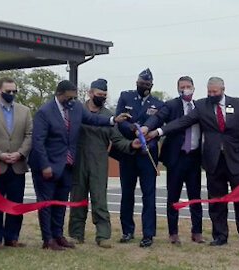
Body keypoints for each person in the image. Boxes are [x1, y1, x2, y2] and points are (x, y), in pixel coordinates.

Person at [147, 77, 239, 248]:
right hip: (214, 161)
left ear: (223, 89)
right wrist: (158, 131)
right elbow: (182, 122)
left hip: (236, 160)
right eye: (209, 91)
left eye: (215, 92)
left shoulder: (238, 104)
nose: (212, 94)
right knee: (216, 199)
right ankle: (220, 235)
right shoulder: (202, 105)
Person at [28, 80, 131, 251]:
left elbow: (92, 118)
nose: (72, 101)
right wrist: (44, 165)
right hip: (49, 165)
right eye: (69, 98)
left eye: (74, 98)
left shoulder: (75, 108)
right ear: (59, 94)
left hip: (68, 166)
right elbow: (38, 141)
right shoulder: (45, 111)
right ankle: (48, 239)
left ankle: (58, 235)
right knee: (47, 203)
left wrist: (113, 119)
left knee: (61, 203)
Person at [68, 78, 141, 248]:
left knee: (99, 199)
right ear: (90, 93)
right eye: (99, 94)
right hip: (79, 159)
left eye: (104, 95)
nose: (102, 97)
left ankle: (103, 235)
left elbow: (116, 139)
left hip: (99, 161)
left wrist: (131, 145)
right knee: (77, 197)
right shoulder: (77, 110)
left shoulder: (108, 116)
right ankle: (76, 233)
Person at [141, 76, 204, 244]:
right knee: (173, 197)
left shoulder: (200, 107)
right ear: (178, 89)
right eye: (182, 86)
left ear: (194, 88)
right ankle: (173, 232)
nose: (185, 89)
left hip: (194, 158)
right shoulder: (171, 105)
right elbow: (158, 118)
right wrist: (148, 127)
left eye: (188, 86)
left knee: (195, 197)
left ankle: (197, 231)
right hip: (176, 158)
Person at [114, 68, 164, 247]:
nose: (143, 86)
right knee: (127, 193)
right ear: (136, 82)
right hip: (128, 153)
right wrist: (131, 129)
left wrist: (147, 143)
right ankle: (127, 230)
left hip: (147, 154)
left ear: (152, 85)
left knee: (148, 195)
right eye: (141, 83)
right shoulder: (125, 97)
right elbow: (120, 121)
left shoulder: (158, 103)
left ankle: (148, 234)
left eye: (147, 84)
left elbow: (157, 127)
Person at [0, 77, 32, 250]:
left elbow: (29, 135)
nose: (11, 94)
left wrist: (20, 153)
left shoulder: (25, 111)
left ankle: (12, 237)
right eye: (7, 91)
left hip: (17, 166)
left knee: (16, 203)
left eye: (14, 91)